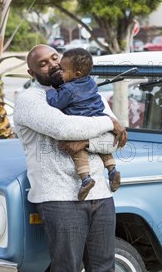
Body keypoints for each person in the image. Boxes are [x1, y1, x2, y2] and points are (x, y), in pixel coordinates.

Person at [13, 44, 126, 272]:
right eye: (43, 63)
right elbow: (63, 127)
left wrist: (88, 139)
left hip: (100, 195)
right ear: (32, 72)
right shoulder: (30, 100)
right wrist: (107, 123)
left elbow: (114, 143)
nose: (51, 65)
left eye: (54, 58)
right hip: (59, 200)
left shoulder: (87, 88)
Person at [46, 48, 121, 201]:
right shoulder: (91, 83)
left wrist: (50, 91)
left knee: (77, 150)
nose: (60, 72)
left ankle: (86, 178)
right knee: (104, 150)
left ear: (77, 74)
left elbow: (55, 103)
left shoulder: (68, 89)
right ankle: (112, 170)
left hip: (79, 121)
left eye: (63, 70)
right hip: (98, 117)